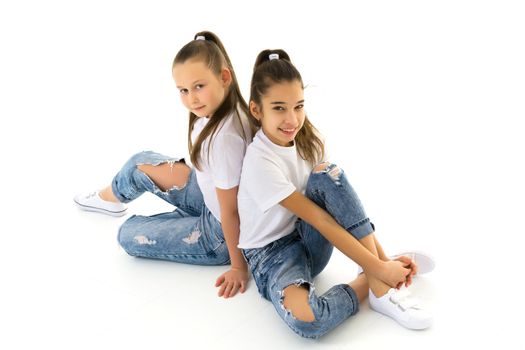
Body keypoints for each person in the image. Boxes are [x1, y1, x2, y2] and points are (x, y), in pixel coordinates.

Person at [237, 49, 433, 338]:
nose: (292, 119)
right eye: (279, 108)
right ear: (256, 110)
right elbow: (321, 220)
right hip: (271, 254)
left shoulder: (309, 142)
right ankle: (374, 280)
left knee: (328, 173)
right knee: (308, 321)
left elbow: (339, 208)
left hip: (308, 239)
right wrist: (380, 267)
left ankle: (381, 285)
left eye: (298, 106)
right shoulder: (259, 160)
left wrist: (378, 261)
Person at [74, 31, 254, 299]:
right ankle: (109, 198)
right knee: (140, 162)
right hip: (211, 197)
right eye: (183, 90)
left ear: (224, 77)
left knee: (128, 235)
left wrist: (238, 266)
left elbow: (230, 211)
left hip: (221, 234)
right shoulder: (219, 110)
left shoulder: (224, 137)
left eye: (199, 86)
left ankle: (183, 226)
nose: (191, 98)